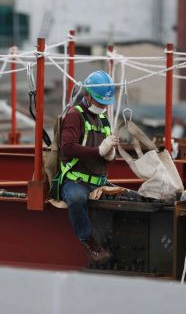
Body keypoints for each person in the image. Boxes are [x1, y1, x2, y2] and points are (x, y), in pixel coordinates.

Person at [59, 70, 118, 264]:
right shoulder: (75, 116)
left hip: (98, 180)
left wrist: (109, 155)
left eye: (105, 104)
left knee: (129, 197)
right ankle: (87, 241)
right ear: (88, 97)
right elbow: (67, 147)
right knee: (76, 199)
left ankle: (113, 242)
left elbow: (103, 153)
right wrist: (99, 151)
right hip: (76, 180)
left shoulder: (103, 119)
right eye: (100, 103)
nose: (103, 107)